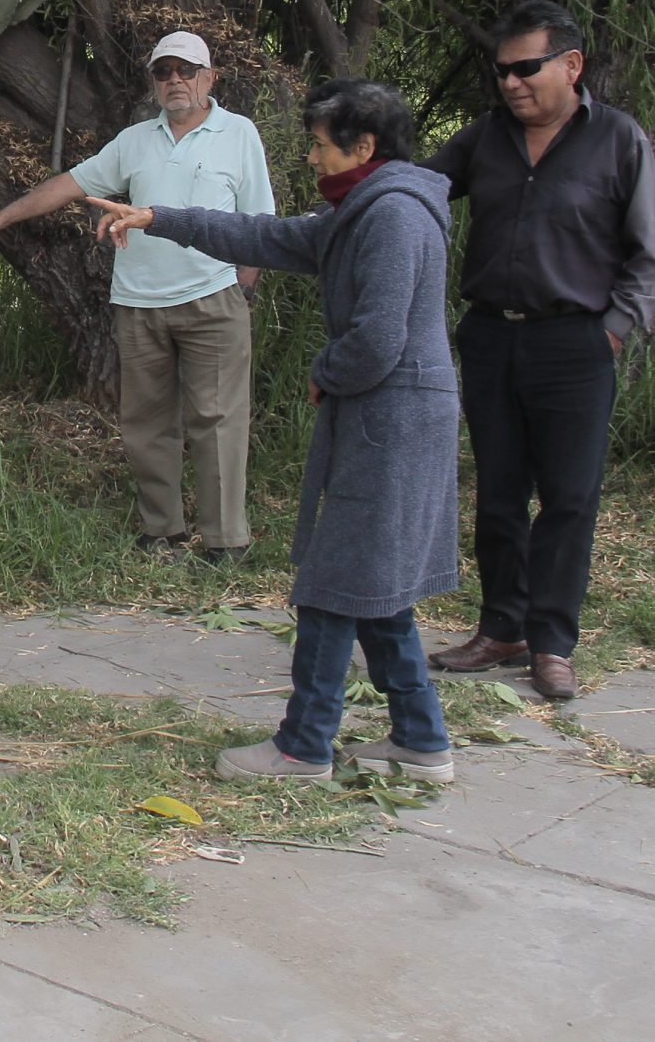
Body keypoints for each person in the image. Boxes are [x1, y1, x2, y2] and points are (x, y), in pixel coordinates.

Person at [89, 79, 459, 783]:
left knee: (330, 584)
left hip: (395, 420)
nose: (313, 159)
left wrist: (326, 368)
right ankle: (420, 736)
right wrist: (157, 216)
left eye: (320, 146)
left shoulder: (394, 216)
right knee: (370, 583)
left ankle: (304, 744)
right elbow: (263, 234)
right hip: (385, 416)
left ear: (364, 146)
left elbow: (378, 337)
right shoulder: (362, 209)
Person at [421, 0, 655, 702]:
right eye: (502, 71)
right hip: (492, 334)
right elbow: (418, 190)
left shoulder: (618, 139)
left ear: (571, 64)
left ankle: (553, 642)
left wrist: (614, 329)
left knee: (568, 496)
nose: (511, 83)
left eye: (526, 68)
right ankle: (501, 626)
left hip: (576, 339)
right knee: (499, 490)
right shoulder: (482, 140)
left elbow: (651, 252)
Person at [0, 32, 274, 561]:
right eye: (163, 71)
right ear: (153, 82)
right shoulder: (135, 140)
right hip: (139, 303)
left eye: (186, 69)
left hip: (213, 298)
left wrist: (243, 290)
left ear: (210, 77)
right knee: (147, 422)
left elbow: (259, 221)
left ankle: (224, 543)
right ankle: (162, 533)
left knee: (217, 421)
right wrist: (2, 217)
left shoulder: (237, 134)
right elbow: (72, 184)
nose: (175, 80)